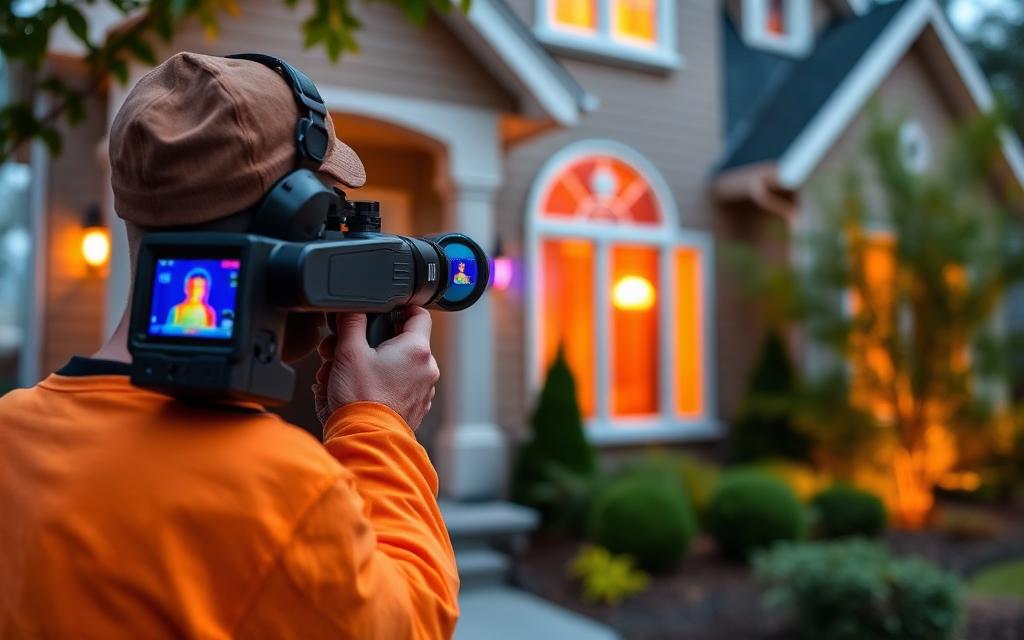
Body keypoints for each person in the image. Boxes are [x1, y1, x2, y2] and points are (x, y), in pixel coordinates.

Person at [0, 52, 459, 639]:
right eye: (330, 213)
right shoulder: (281, 494)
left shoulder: (12, 430)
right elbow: (414, 622)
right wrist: (380, 424)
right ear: (296, 216)